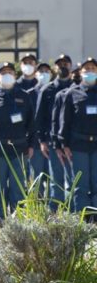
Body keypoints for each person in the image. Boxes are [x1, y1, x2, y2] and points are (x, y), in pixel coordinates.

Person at [0, 62, 35, 225]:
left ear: (15, 76)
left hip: (19, 148)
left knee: (18, 188)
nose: (7, 75)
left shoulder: (24, 96)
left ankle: (17, 219)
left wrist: (31, 145)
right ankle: (1, 217)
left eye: (10, 72)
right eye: (3, 73)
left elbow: (31, 124)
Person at [59, 57, 97, 217]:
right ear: (80, 73)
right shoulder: (72, 93)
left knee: (96, 184)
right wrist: (64, 144)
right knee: (80, 186)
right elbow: (65, 120)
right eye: (86, 69)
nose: (90, 72)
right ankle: (83, 221)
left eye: (93, 69)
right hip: (78, 145)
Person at [36, 54, 74, 209]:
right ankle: (55, 216)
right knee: (56, 181)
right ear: (55, 68)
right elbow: (40, 118)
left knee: (73, 181)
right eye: (59, 64)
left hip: (73, 142)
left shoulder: (76, 88)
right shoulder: (47, 90)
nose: (63, 66)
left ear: (70, 66)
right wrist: (42, 141)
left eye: (66, 63)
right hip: (52, 142)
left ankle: (73, 215)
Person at [27, 62, 51, 193]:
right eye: (41, 71)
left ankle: (53, 209)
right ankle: (38, 207)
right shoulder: (29, 94)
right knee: (36, 177)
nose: (44, 74)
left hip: (51, 140)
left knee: (53, 178)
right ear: (35, 74)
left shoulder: (55, 92)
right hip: (35, 142)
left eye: (47, 71)